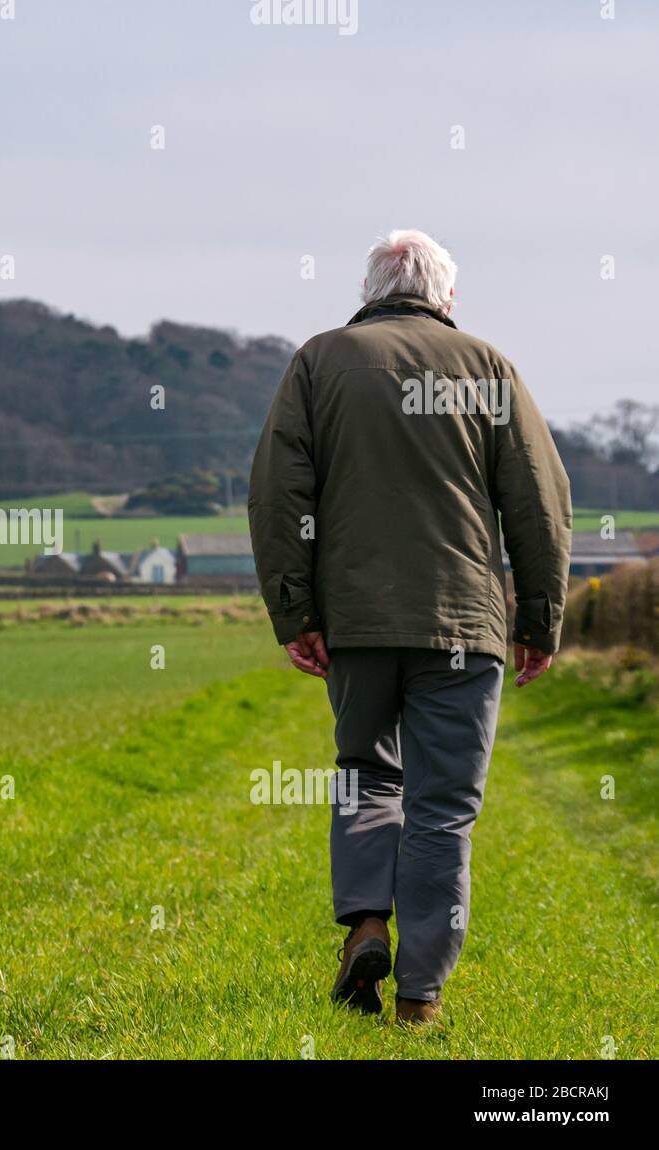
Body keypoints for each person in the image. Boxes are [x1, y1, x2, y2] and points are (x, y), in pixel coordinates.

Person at [246, 229, 572, 1027]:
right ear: (445, 296)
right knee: (442, 808)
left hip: (356, 621)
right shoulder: (488, 368)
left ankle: (364, 926)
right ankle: (419, 999)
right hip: (463, 621)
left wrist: (296, 611)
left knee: (364, 772)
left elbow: (276, 494)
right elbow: (540, 500)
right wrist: (538, 619)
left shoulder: (319, 363)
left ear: (368, 289)